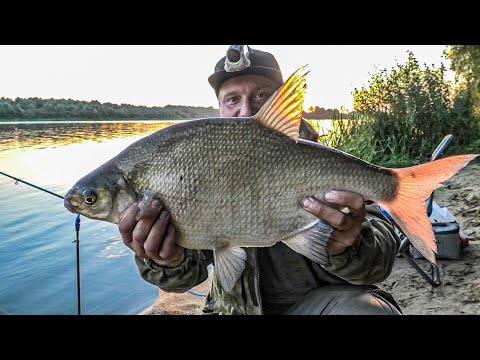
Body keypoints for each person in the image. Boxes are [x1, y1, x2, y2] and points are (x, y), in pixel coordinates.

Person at [118, 46, 402, 315]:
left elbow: (380, 263)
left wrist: (348, 244)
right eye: (232, 99)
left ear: (283, 105)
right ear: (219, 109)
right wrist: (165, 260)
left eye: (261, 95)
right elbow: (185, 278)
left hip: (323, 305)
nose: (245, 110)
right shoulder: (202, 171)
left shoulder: (327, 164)